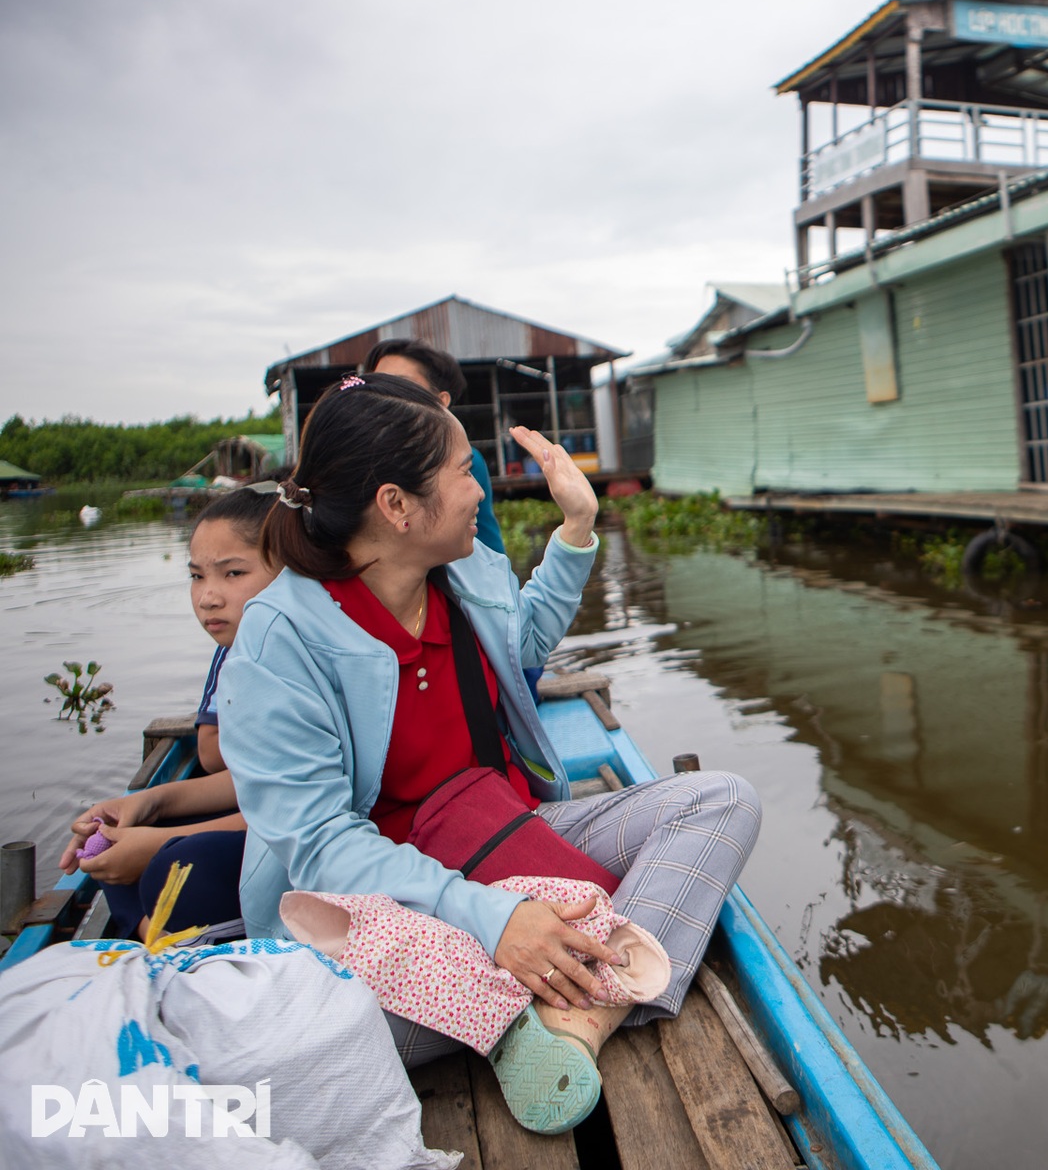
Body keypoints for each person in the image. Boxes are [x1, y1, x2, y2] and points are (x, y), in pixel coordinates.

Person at [218, 372, 760, 1134]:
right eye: (461, 471)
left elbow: (521, 646)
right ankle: (590, 978)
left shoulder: (465, 568)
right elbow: (319, 847)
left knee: (721, 800)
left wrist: (576, 528)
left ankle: (578, 1024)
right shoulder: (281, 638)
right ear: (396, 506)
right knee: (333, 1030)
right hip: (386, 911)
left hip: (503, 829)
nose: (480, 490)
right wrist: (497, 920)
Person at [59, 481, 282, 936]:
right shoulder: (241, 655)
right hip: (264, 815)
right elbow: (250, 778)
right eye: (197, 576)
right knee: (109, 849)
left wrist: (158, 840)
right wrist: (145, 802)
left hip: (298, 839)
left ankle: (152, 930)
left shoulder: (302, 664)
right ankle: (155, 929)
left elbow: (287, 807)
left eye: (232, 574)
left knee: (172, 865)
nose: (208, 597)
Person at [363, 337, 505, 554]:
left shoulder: (464, 461)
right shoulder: (360, 457)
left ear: (441, 401)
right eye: (377, 384)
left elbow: (486, 552)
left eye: (402, 384)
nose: (385, 396)